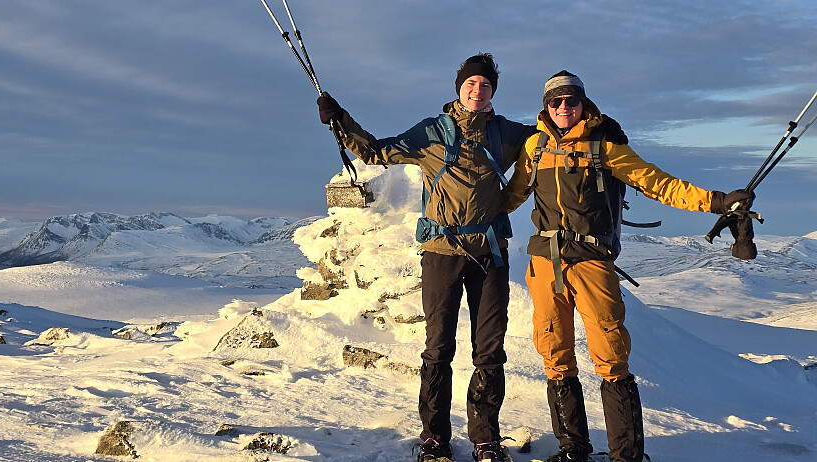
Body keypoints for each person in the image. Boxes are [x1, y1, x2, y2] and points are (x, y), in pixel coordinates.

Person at [317, 54, 626, 462]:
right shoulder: (431, 132)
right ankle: (434, 438)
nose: (477, 91)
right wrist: (340, 119)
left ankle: (485, 439)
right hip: (441, 253)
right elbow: (377, 152)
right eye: (471, 84)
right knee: (438, 346)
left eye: (485, 85)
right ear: (458, 87)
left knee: (489, 349)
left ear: (493, 92)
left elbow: (558, 130)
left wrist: (604, 128)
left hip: (491, 254)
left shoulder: (509, 133)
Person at [504, 70, 754, 462]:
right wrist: (467, 222)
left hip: (591, 262)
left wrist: (718, 202)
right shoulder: (534, 147)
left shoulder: (605, 147)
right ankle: (572, 448)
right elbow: (512, 194)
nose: (564, 107)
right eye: (556, 101)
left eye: (572, 100)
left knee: (610, 356)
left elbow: (658, 183)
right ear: (545, 106)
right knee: (554, 353)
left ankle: (626, 455)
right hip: (544, 264)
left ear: (583, 103)